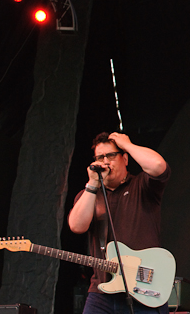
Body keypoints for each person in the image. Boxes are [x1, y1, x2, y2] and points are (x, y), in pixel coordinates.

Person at [69, 132, 171, 314]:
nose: (105, 162)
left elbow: (158, 166)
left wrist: (127, 144)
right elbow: (77, 226)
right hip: (102, 291)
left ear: (125, 158)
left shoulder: (141, 185)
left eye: (111, 156)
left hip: (144, 290)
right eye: (100, 157)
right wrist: (92, 184)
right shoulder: (90, 196)